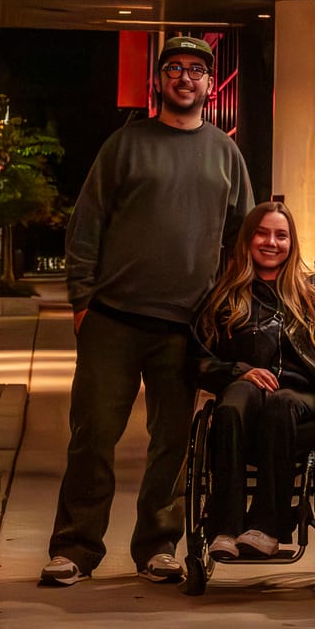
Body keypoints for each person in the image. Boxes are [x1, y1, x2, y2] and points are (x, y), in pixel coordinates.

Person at [43, 36, 254, 586]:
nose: (185, 77)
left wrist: (228, 309)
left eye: (196, 70)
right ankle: (75, 548)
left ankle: (158, 546)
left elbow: (243, 238)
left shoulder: (226, 153)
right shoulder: (125, 145)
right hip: (113, 317)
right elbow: (86, 225)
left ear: (210, 85)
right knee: (93, 437)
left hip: (186, 326)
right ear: (158, 81)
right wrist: (82, 301)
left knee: (173, 444)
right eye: (174, 68)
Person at [193, 202, 315, 558]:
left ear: (291, 242)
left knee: (281, 402)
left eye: (281, 235)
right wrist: (239, 371)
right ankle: (224, 528)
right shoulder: (225, 295)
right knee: (233, 401)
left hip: (304, 402)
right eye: (262, 233)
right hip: (247, 398)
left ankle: (266, 527)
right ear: (247, 240)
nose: (271, 242)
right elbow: (198, 357)